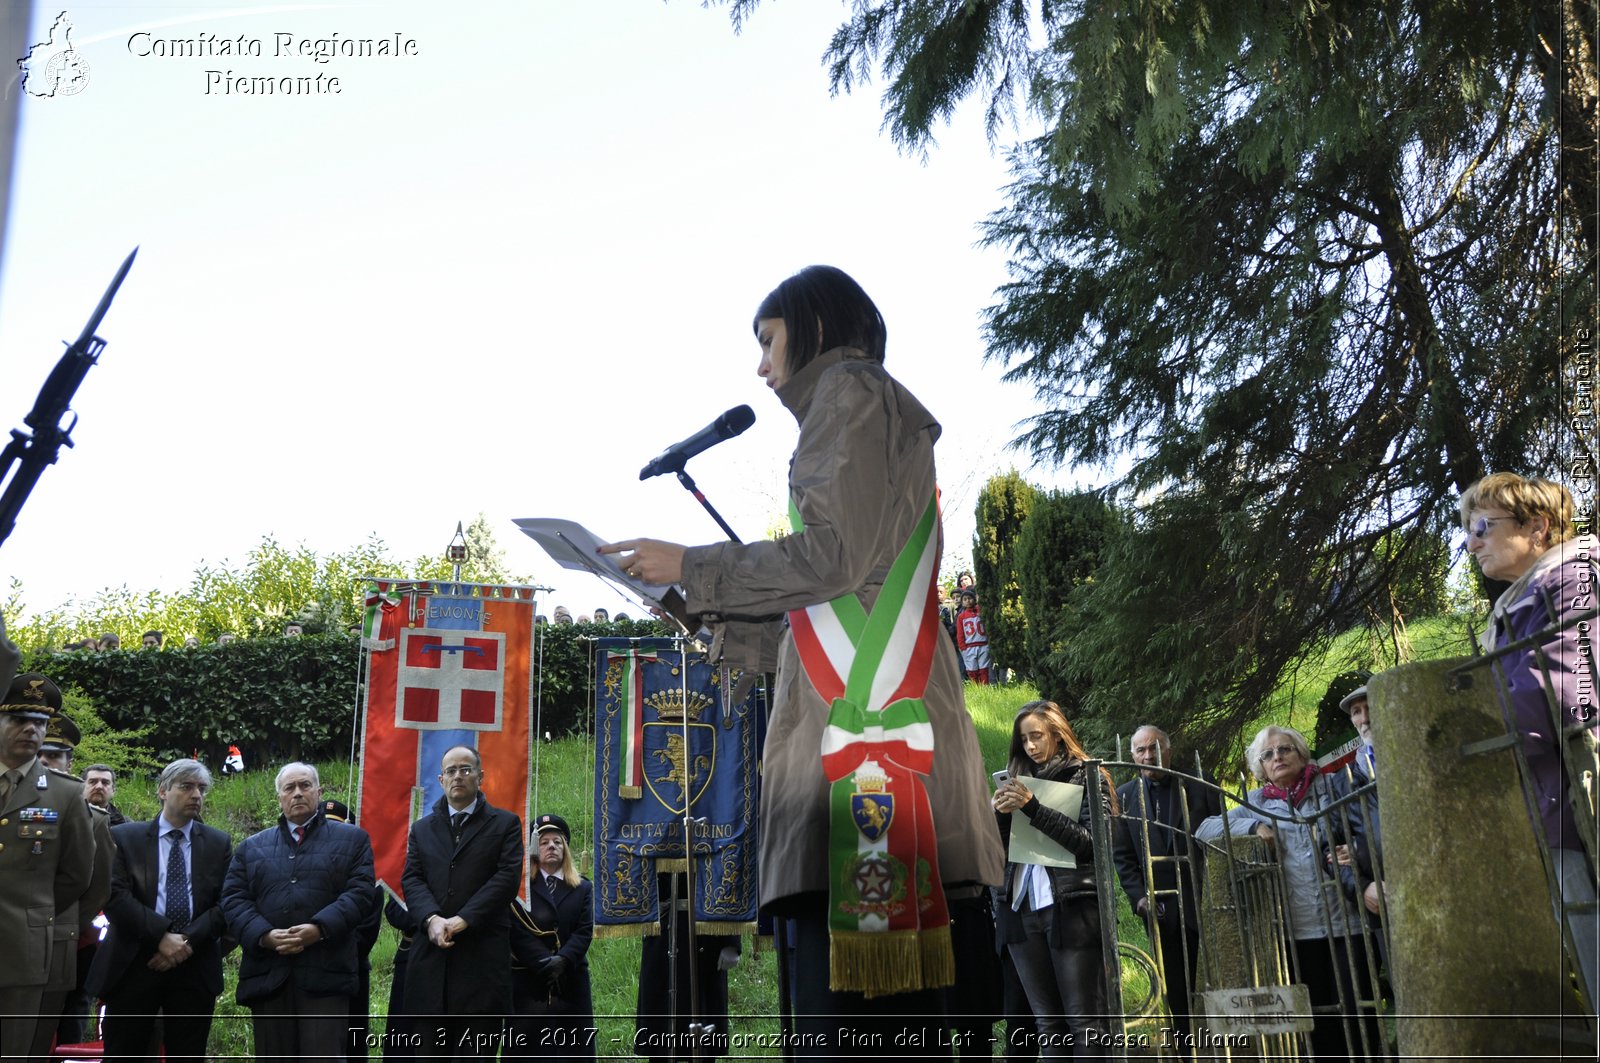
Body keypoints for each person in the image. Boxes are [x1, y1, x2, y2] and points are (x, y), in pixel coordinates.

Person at [602, 265, 1004, 1044]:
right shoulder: (855, 406)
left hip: (862, 777)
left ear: (814, 324)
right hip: (870, 767)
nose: (759, 364)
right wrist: (692, 604)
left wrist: (692, 564)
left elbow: (832, 557)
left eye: (767, 338)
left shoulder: (848, 393)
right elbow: (822, 614)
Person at [1460, 472, 1599, 1008]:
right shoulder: (1525, 598)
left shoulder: (1572, 580)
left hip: (1581, 798)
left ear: (1538, 527)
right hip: (1556, 801)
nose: (1471, 542)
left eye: (1482, 527)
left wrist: (1471, 741)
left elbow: (1563, 696)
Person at [1196, 726, 1380, 1061]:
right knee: (1317, 1022)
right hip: (1296, 933)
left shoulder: (1332, 787)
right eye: (1268, 755)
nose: (1277, 757)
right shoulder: (1255, 803)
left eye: (1284, 749)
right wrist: (1252, 826)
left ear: (1300, 753)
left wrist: (1355, 849)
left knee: (1359, 1016)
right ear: (1260, 768)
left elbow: (1369, 823)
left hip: (1347, 923)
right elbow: (1204, 829)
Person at [221, 762, 377, 1063]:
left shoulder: (353, 840)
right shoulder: (251, 847)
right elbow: (233, 899)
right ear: (279, 797)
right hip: (269, 974)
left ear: (318, 792)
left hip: (327, 972)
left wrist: (318, 929)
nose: (297, 793)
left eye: (305, 785)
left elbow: (360, 893)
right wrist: (264, 935)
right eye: (289, 788)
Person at [992, 701, 1117, 1059]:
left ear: (1059, 737)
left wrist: (1033, 807)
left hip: (1070, 909)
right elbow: (997, 854)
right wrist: (997, 815)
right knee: (1047, 1023)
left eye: (1037, 736)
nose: (1030, 746)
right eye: (1024, 739)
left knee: (1084, 1024)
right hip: (1020, 908)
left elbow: (1094, 844)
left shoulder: (1087, 775)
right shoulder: (1016, 781)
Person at [89, 758, 234, 1063]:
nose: (197, 794)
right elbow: (114, 896)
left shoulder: (218, 843)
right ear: (163, 791)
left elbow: (228, 903)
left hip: (194, 968)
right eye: (187, 786)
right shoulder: (125, 837)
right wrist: (160, 936)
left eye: (201, 788)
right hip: (133, 963)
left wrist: (186, 942)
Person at [402, 744, 524, 1058]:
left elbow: (506, 880)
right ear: (441, 779)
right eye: (451, 771)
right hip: (430, 969)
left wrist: (463, 919)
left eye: (466, 769)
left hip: (481, 967)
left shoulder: (505, 824)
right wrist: (432, 919)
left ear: (480, 777)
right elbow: (412, 880)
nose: (459, 776)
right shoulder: (421, 829)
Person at [0, 673, 96, 1059]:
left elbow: (77, 874)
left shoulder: (65, 793)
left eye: (39, 723)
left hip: (24, 951)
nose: (30, 730)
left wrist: (32, 915)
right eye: (19, 719)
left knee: (14, 1051)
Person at [1112, 725, 1222, 1047]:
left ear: (1168, 751)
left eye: (1155, 748)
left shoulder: (1199, 785)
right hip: (1160, 910)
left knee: (1215, 982)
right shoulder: (1124, 797)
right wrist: (1138, 899)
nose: (1149, 755)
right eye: (1141, 750)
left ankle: (1226, 1049)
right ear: (1132, 755)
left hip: (1204, 902)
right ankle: (1189, 1050)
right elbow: (1123, 858)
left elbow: (1221, 841)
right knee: (1177, 989)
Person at [510, 813, 594, 1061]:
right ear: (536, 849)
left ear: (566, 849)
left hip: (571, 979)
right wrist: (544, 963)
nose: (552, 847)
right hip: (530, 980)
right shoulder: (520, 888)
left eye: (558, 842)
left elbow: (583, 931)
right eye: (545, 842)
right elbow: (515, 930)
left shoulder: (582, 887)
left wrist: (563, 960)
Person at [636, 871, 740, 1063]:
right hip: (661, 934)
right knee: (661, 1027)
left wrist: (731, 939)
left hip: (705, 935)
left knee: (702, 1022)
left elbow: (727, 872)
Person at [320, 798, 385, 1063]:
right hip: (309, 974)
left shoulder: (368, 874)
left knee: (352, 1045)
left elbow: (366, 932)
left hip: (352, 970)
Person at [955, 590, 992, 685]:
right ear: (962, 602)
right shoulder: (961, 616)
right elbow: (960, 633)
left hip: (983, 644)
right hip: (969, 647)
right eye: (965, 599)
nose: (968, 601)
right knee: (972, 670)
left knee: (984, 669)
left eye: (970, 598)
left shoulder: (981, 611)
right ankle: (976, 688)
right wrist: (963, 648)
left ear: (975, 600)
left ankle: (985, 688)